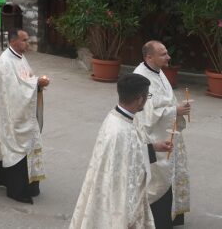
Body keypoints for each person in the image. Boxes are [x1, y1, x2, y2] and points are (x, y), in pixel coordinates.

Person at [70, 73, 171, 229]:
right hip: (119, 198)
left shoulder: (116, 116)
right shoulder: (120, 131)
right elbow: (129, 175)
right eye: (147, 96)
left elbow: (131, 153)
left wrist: (154, 147)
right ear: (140, 99)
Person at [0, 29, 48, 204]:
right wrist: (36, 83)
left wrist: (36, 83)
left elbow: (24, 80)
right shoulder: (6, 62)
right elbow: (14, 91)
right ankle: (17, 190)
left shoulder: (20, 57)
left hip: (22, 112)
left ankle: (2, 177)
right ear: (13, 41)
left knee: (25, 145)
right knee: (16, 147)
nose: (28, 43)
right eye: (25, 40)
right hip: (11, 114)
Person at [134, 40, 191, 228]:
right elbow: (147, 114)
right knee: (158, 179)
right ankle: (155, 220)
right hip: (154, 137)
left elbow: (166, 100)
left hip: (169, 132)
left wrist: (178, 108)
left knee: (172, 174)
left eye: (167, 52)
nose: (168, 57)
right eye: (163, 54)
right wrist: (175, 110)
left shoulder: (159, 72)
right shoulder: (141, 77)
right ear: (149, 57)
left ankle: (171, 216)